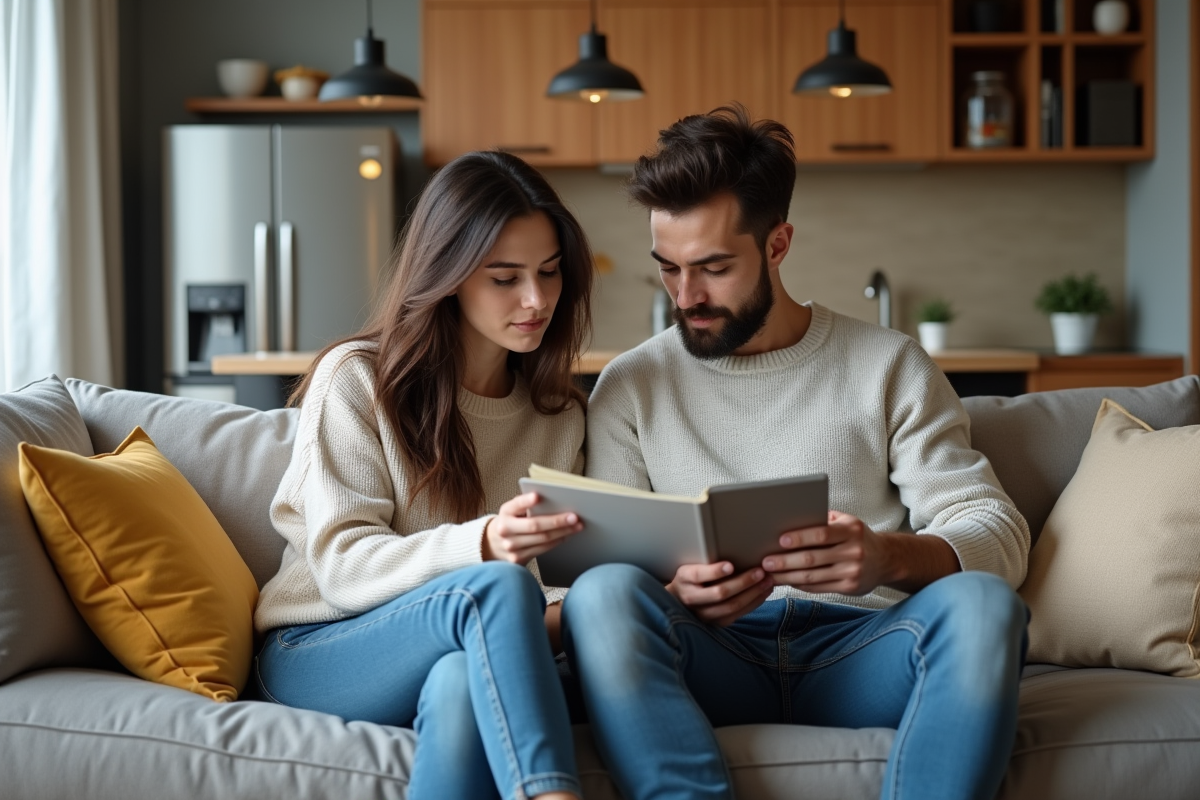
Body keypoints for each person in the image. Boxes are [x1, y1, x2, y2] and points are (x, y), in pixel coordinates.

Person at [561, 106, 1031, 800]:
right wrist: (675, 593)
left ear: (777, 244)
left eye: (714, 268)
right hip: (710, 655)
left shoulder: (888, 365)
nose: (687, 297)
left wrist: (888, 557)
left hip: (862, 651)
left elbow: (998, 532)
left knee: (985, 605)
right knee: (603, 595)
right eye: (669, 269)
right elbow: (602, 572)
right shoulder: (630, 385)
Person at [252, 150, 592, 800]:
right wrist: (484, 544)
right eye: (505, 278)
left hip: (460, 649)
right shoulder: (358, 380)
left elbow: (549, 587)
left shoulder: (558, 416)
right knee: (494, 586)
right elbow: (343, 569)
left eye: (550, 272)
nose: (536, 299)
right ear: (450, 275)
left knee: (461, 684)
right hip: (318, 647)